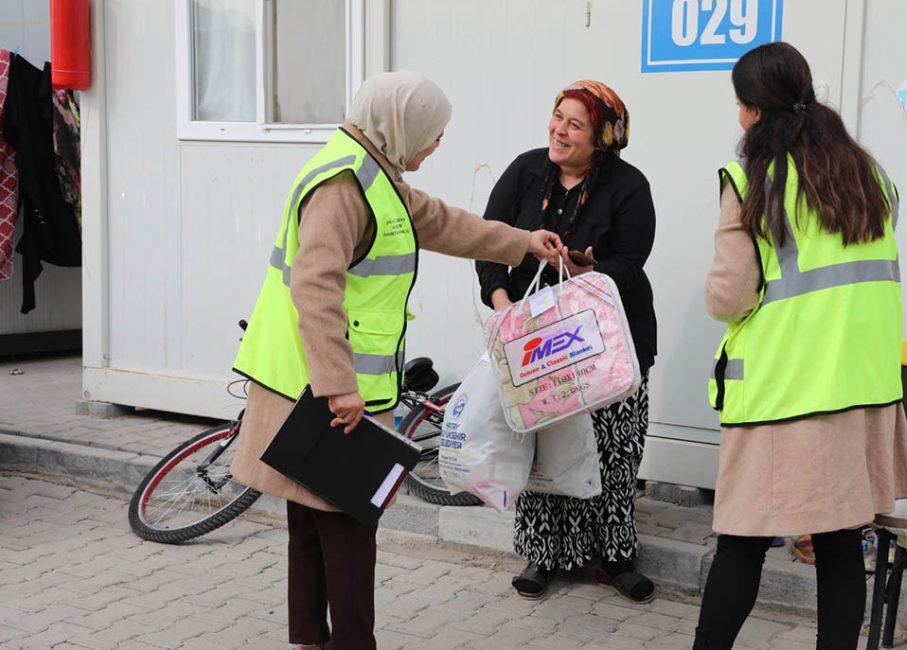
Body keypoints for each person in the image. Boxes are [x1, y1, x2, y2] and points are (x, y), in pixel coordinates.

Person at [229, 71, 562, 650]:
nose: (436, 145)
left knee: (313, 524)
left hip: (312, 388)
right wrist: (338, 387)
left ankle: (312, 639)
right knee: (349, 525)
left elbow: (439, 221)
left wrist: (520, 241)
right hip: (321, 394)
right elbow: (315, 287)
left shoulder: (373, 170)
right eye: (434, 133)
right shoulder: (343, 185)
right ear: (401, 125)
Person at [692, 42, 907, 650]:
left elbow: (729, 296)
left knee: (741, 543)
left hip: (783, 390)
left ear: (751, 111)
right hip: (861, 388)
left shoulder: (753, 180)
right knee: (842, 544)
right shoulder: (871, 176)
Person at [476, 80, 659, 603]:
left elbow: (631, 260)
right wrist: (502, 305)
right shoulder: (525, 171)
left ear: (601, 136)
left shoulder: (628, 186)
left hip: (607, 340)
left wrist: (590, 269)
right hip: (535, 342)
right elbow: (490, 241)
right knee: (540, 443)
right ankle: (542, 553)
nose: (560, 129)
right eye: (558, 116)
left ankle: (616, 557)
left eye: (575, 123)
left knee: (611, 451)